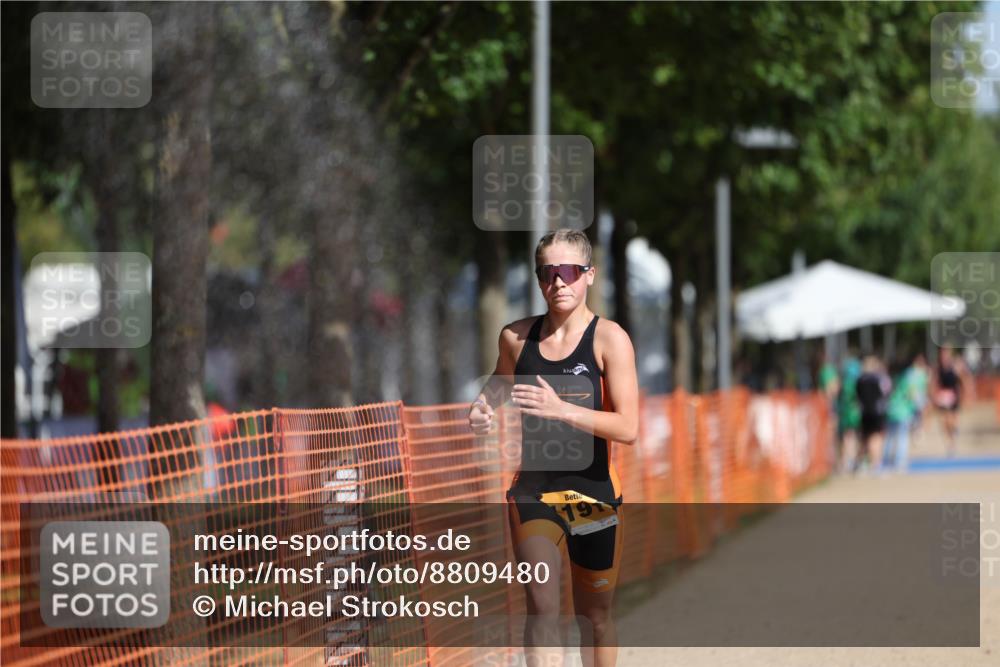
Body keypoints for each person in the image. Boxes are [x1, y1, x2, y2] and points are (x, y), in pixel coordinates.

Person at [468, 228, 639, 667]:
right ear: (539, 278)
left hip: (594, 492)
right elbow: (499, 384)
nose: (559, 282)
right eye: (549, 273)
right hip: (534, 494)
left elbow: (629, 426)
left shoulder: (610, 340)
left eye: (569, 271)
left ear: (590, 276)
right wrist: (483, 407)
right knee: (542, 607)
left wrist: (561, 409)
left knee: (594, 617)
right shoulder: (515, 338)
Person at [854, 356, 891, 474]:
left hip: (864, 413)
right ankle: (875, 463)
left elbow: (858, 396)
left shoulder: (859, 380)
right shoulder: (877, 379)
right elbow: (885, 394)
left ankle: (861, 462)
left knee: (865, 438)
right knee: (875, 438)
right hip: (876, 413)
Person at [883, 357, 918, 473]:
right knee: (902, 437)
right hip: (903, 412)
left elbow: (885, 394)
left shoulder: (890, 379)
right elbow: (912, 395)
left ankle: (886, 460)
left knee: (889, 437)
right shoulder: (907, 379)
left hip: (891, 411)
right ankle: (900, 461)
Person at [930, 348, 967, 457]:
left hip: (953, 396)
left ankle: (953, 435)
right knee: (944, 421)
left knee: (951, 419)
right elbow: (934, 382)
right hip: (943, 396)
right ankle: (950, 444)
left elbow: (963, 380)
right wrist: (933, 396)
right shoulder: (938, 368)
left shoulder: (955, 366)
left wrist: (964, 394)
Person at [835, 355, 862, 473]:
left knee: (846, 438)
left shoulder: (843, 384)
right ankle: (851, 461)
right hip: (853, 415)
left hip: (845, 415)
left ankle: (846, 462)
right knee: (852, 438)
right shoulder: (856, 383)